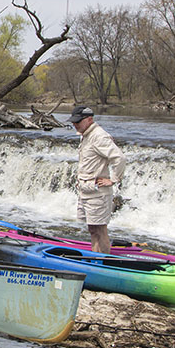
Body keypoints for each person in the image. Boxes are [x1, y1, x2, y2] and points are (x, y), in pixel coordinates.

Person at [68, 105, 127, 254]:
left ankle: (102, 263)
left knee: (100, 230)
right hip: (86, 190)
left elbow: (119, 158)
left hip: (98, 193)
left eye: (78, 121)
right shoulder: (85, 134)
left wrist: (114, 179)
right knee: (93, 229)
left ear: (89, 119)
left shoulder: (99, 136)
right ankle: (95, 259)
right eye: (73, 121)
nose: (74, 124)